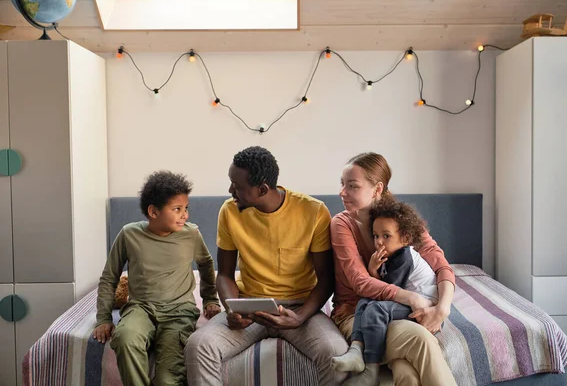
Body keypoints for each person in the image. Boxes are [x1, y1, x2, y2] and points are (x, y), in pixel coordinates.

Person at [184, 146, 348, 386]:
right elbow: (225, 275)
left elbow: (326, 278)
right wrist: (232, 309)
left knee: (336, 352)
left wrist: (300, 317)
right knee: (198, 346)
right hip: (249, 306)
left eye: (237, 186)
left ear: (262, 189)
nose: (231, 192)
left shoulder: (313, 211)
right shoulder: (229, 212)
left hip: (299, 307)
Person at [331, 152, 457, 386]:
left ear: (377, 189)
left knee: (407, 375)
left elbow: (440, 264)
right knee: (421, 340)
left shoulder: (401, 220)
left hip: (397, 312)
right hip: (354, 314)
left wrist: (442, 308)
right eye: (342, 184)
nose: (342, 192)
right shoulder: (342, 224)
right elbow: (360, 282)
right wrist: (413, 298)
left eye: (352, 186)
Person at [92, 171, 221, 386]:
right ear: (153, 211)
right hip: (140, 308)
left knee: (167, 379)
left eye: (186, 208)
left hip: (180, 311)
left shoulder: (191, 234)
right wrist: (103, 318)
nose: (185, 215)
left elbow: (206, 264)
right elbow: (109, 277)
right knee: (125, 339)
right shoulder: (128, 234)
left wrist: (210, 299)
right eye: (177, 209)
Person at [333, 197, 440, 385]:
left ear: (405, 238)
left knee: (374, 308)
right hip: (407, 302)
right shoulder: (390, 255)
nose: (379, 242)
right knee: (364, 302)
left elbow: (388, 291)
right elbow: (381, 291)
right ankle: (356, 349)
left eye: (386, 236)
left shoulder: (404, 256)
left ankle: (370, 370)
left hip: (424, 307)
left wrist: (372, 271)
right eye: (375, 236)